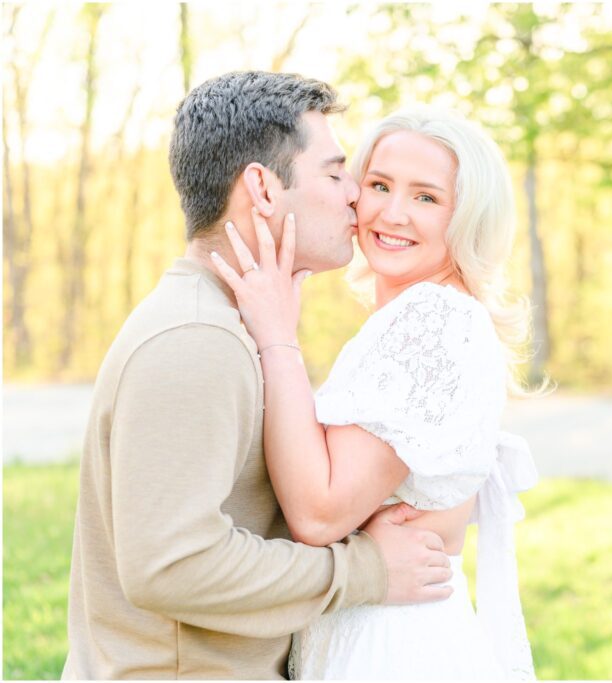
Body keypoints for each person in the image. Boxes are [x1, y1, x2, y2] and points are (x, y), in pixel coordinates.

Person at [61, 72, 454, 680]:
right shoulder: (197, 340)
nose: (356, 195)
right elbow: (173, 565)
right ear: (263, 188)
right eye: (334, 172)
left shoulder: (230, 323)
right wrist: (366, 570)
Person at [210, 105, 538, 679]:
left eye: (427, 197)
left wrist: (277, 337)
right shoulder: (415, 315)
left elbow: (319, 512)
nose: (392, 212)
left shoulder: (434, 319)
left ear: (469, 216)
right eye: (380, 185)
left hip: (393, 649)